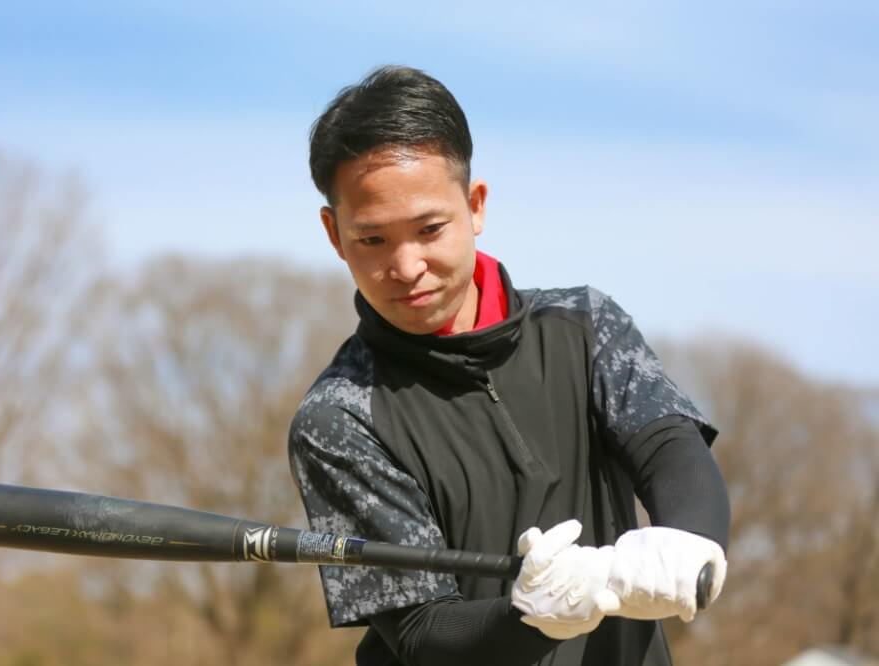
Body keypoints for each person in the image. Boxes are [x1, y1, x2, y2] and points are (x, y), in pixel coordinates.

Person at [288, 65, 731, 666]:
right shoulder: (340, 416)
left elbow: (670, 448)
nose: (407, 265)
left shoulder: (585, 325)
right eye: (372, 240)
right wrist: (533, 613)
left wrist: (686, 540)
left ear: (475, 206)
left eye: (429, 228)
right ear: (334, 235)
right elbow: (419, 631)